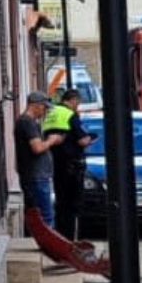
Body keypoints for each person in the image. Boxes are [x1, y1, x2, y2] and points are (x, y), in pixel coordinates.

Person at [42, 87, 94, 241]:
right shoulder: (70, 115)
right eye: (77, 104)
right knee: (73, 206)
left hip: (56, 163)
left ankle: (60, 236)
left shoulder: (51, 114)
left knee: (61, 203)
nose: (77, 107)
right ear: (73, 100)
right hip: (72, 165)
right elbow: (82, 140)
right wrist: (90, 138)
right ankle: (71, 239)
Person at [15, 91, 64, 230]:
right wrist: (51, 140)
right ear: (35, 106)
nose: (45, 112)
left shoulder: (26, 122)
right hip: (36, 176)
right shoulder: (27, 123)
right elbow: (37, 148)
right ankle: (48, 245)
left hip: (34, 175)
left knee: (37, 215)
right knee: (45, 216)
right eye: (44, 108)